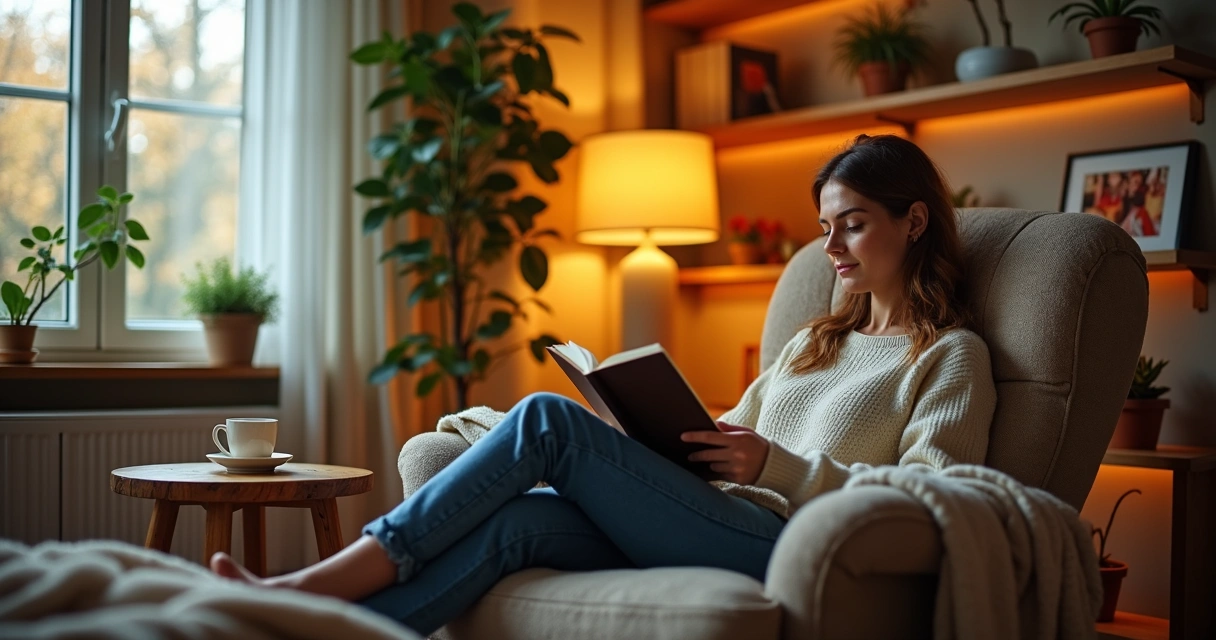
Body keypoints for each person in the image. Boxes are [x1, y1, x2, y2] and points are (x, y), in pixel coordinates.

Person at [209, 133, 998, 636]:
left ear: (915, 222)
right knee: (513, 525)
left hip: (785, 542)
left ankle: (310, 587)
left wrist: (776, 467)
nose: (830, 247)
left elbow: (932, 498)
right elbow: (731, 428)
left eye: (852, 223)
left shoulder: (948, 357)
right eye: (824, 226)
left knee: (547, 421)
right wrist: (649, 441)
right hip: (717, 512)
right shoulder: (811, 342)